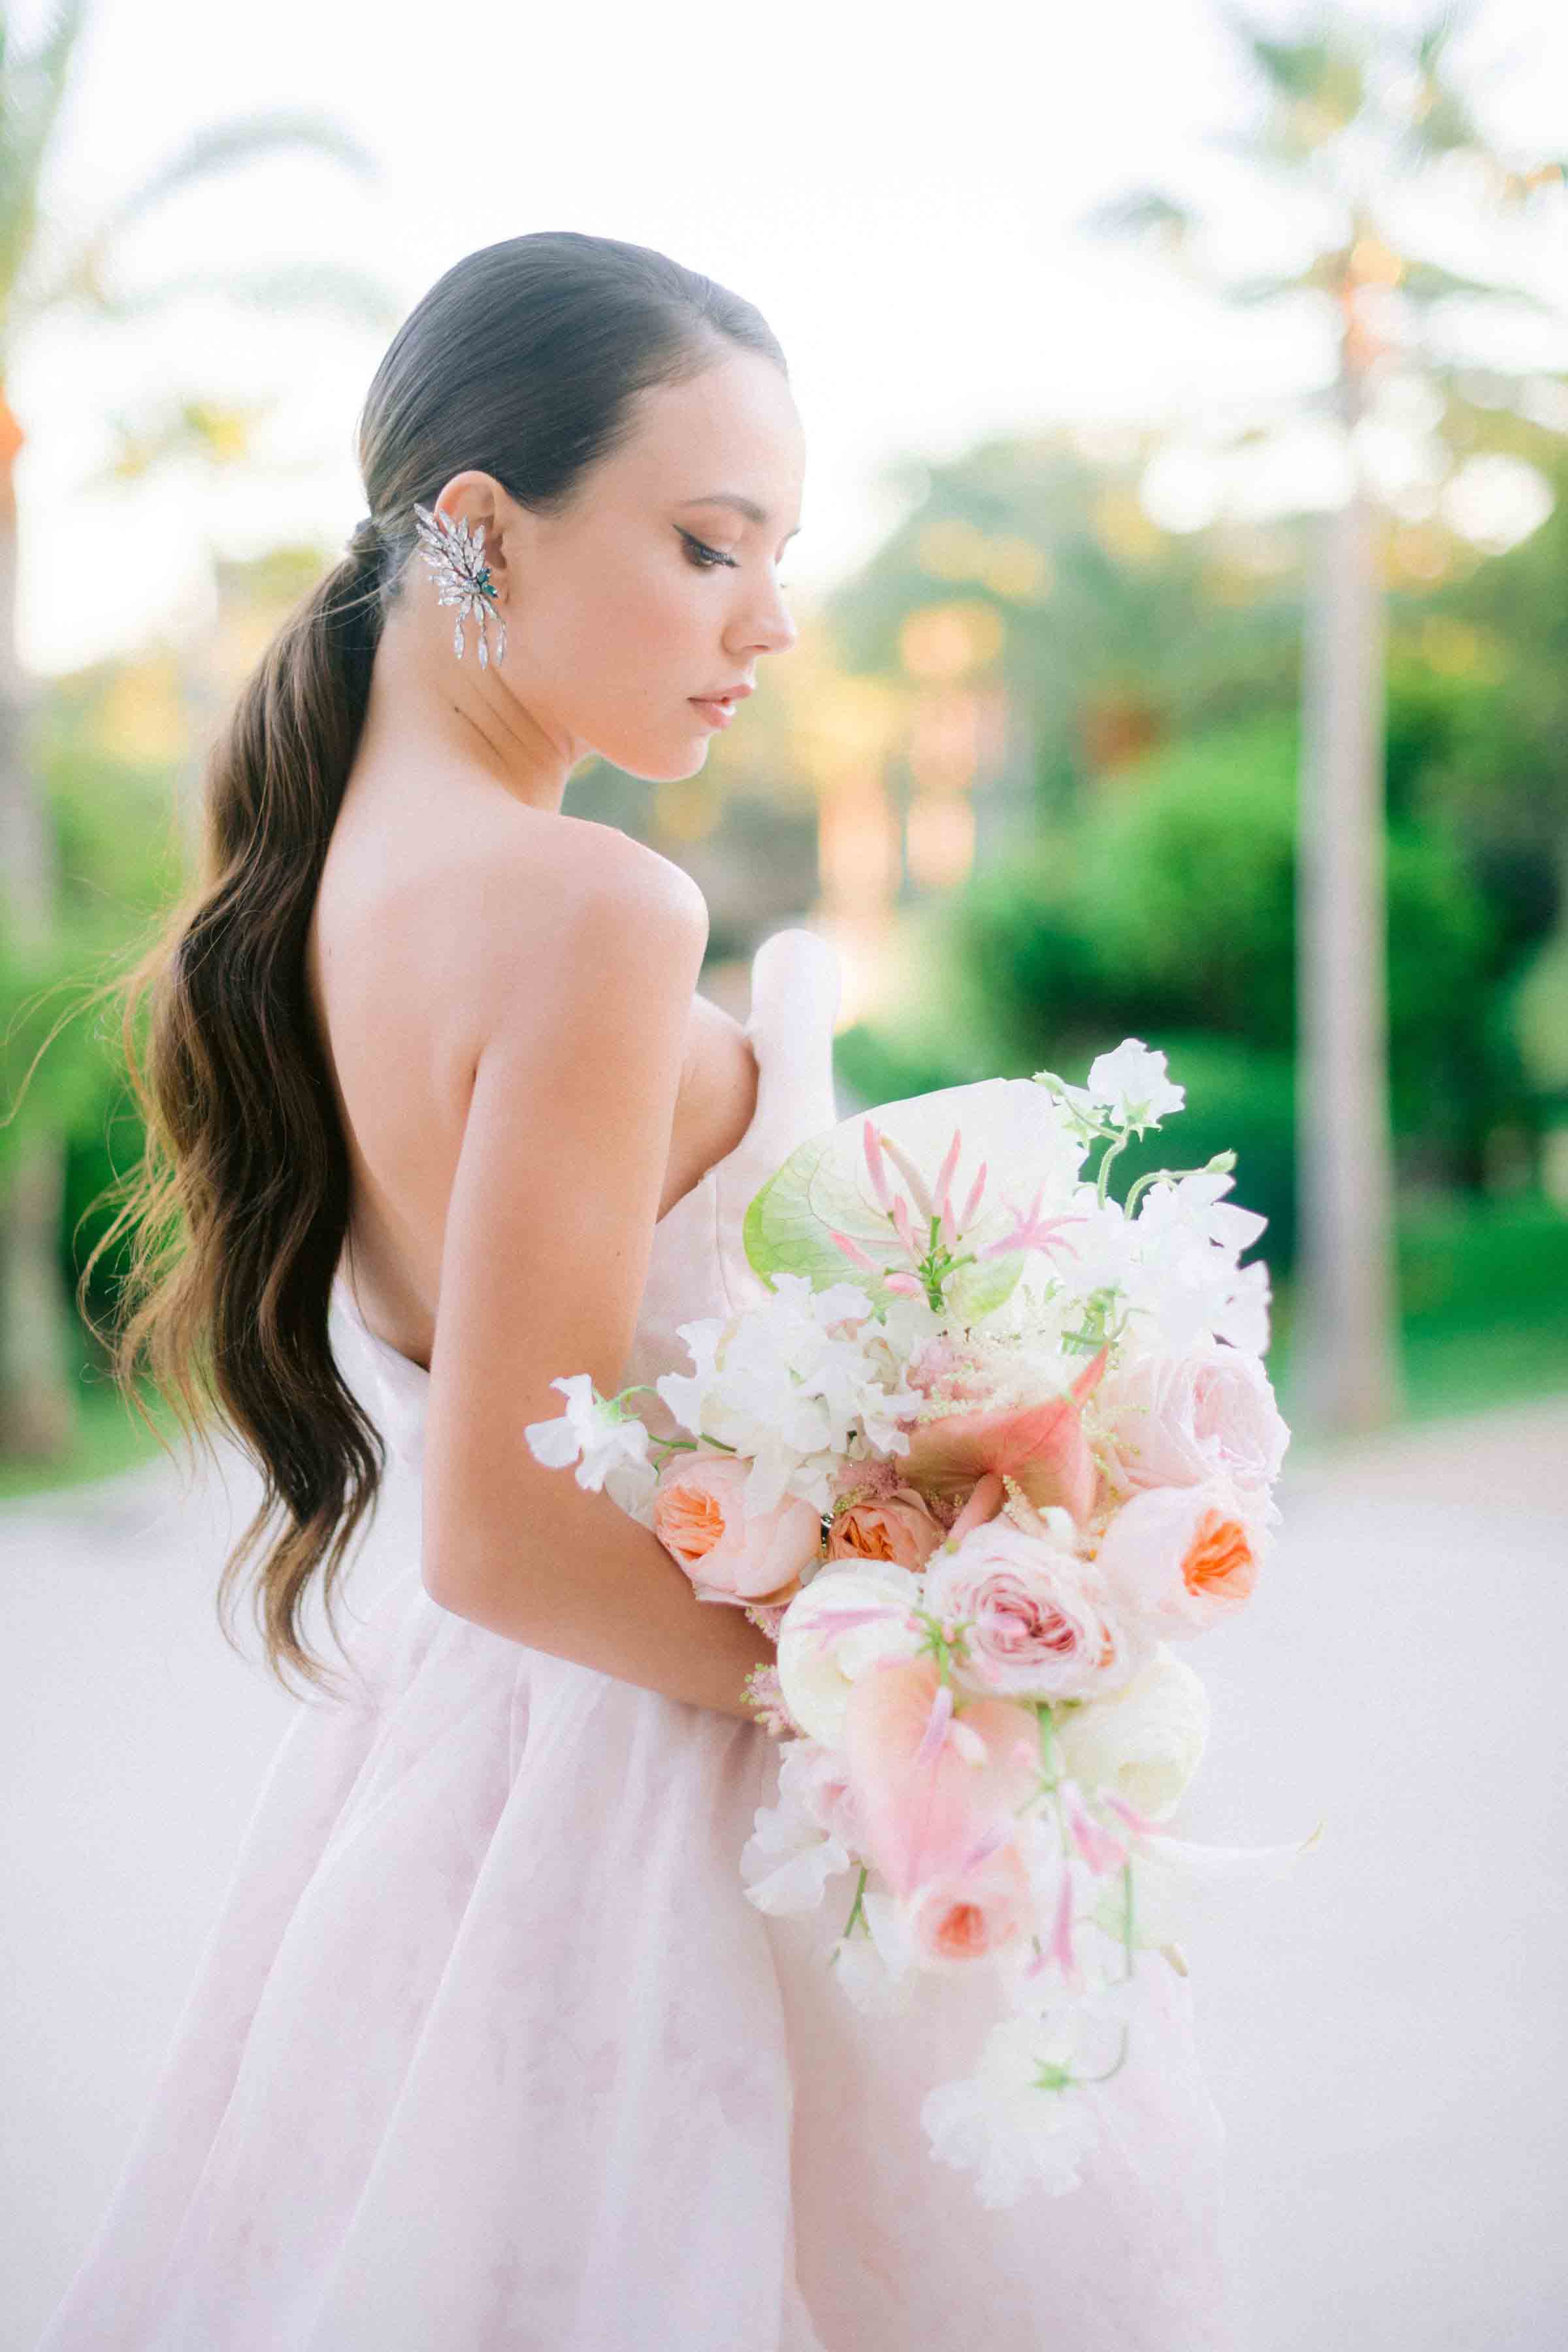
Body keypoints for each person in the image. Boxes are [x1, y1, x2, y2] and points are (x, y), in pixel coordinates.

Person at [37, 230, 1235, 2350]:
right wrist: (914, 1676)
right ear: (479, 535)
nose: (770, 624)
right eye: (710, 545)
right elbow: (510, 1527)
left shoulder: (316, 902)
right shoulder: (589, 911)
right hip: (659, 1818)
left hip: (456, 1792)